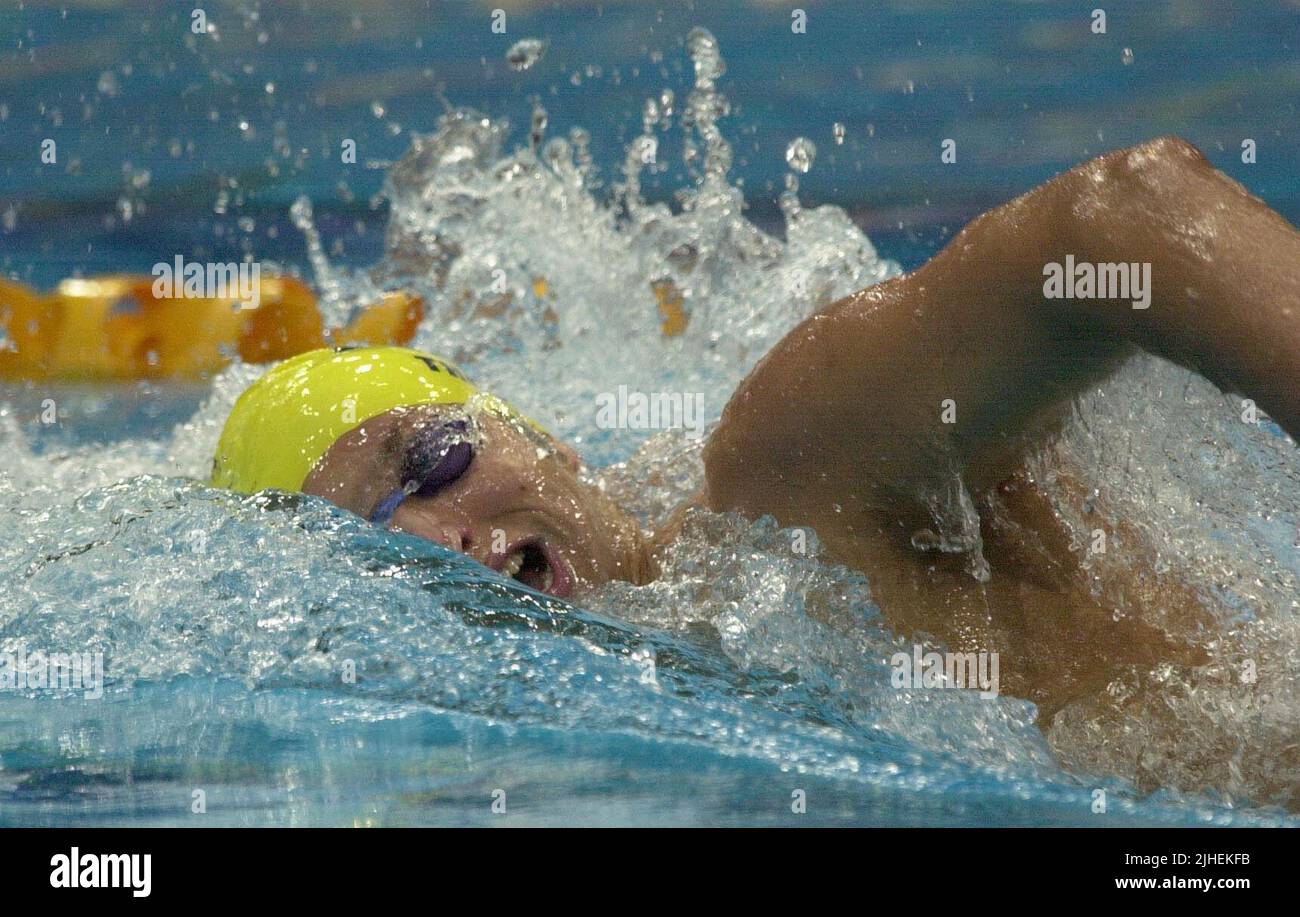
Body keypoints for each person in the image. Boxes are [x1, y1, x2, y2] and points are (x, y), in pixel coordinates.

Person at [212, 137, 1300, 716]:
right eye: (372, 549)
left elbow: (1126, 215)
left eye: (434, 460)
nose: (433, 539)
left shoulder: (783, 476)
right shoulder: (669, 681)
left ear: (543, 436)